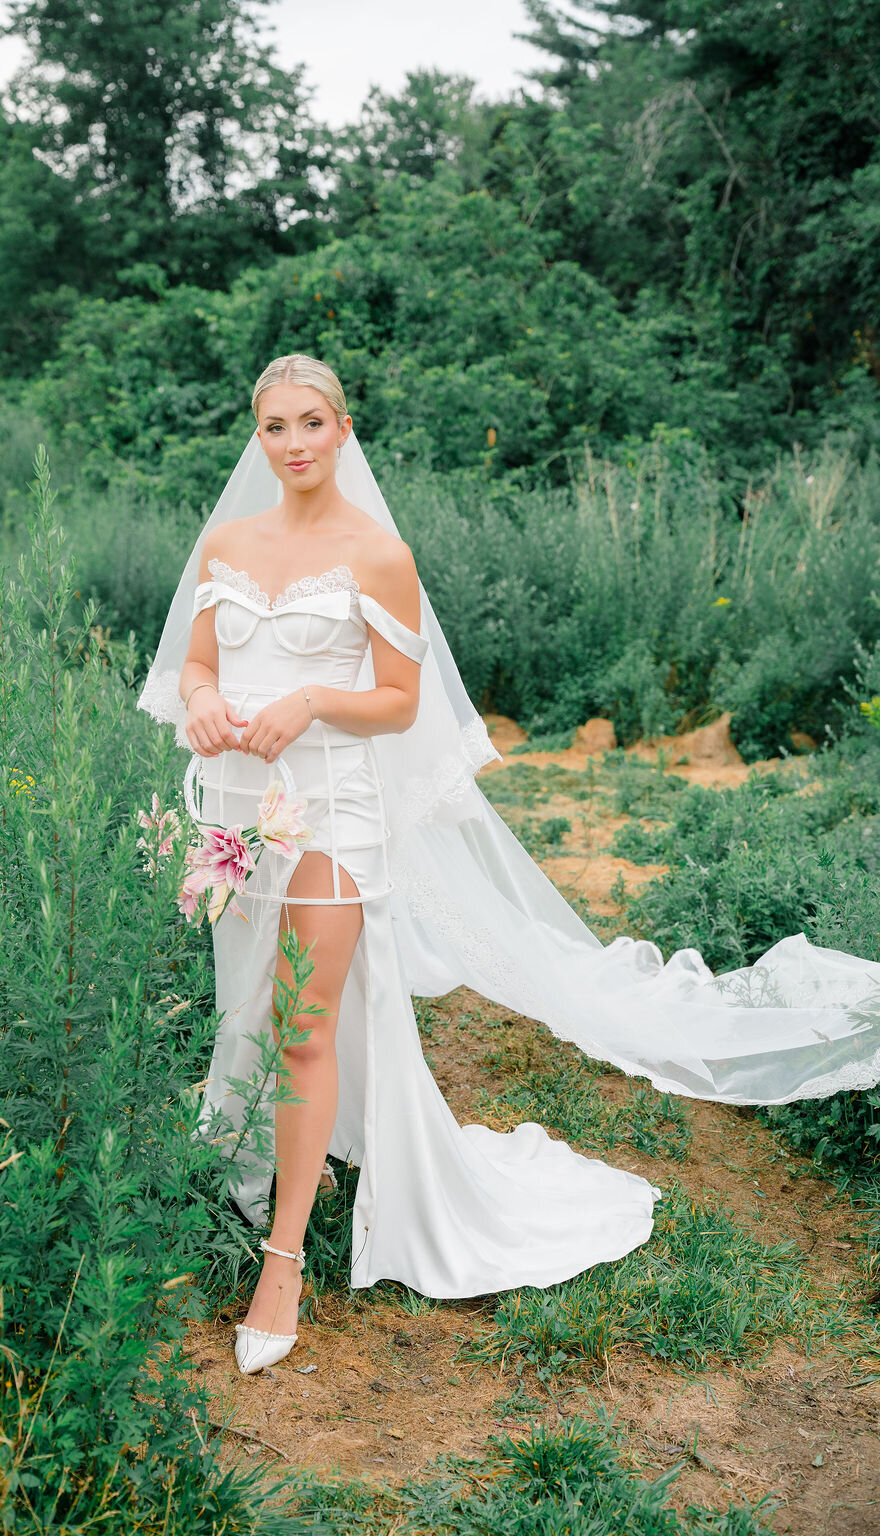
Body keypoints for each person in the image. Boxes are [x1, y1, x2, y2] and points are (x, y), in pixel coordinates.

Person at [138, 353, 880, 1376]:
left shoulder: (375, 553)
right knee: (245, 1011)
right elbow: (199, 666)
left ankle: (281, 1262)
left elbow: (400, 701)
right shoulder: (227, 543)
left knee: (304, 1025)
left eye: (313, 423)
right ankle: (238, 1177)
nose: (295, 444)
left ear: (344, 430)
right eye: (275, 427)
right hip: (232, 805)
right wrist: (206, 702)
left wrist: (310, 701)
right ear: (255, 437)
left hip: (332, 814)